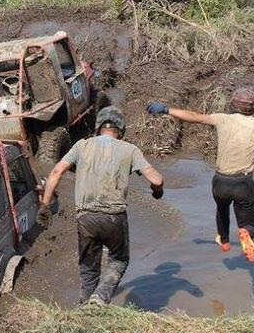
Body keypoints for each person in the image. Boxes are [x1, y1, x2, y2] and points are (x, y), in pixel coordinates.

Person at [147, 88, 254, 264]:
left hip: (220, 182)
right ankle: (246, 233)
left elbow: (194, 116)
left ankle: (224, 241)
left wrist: (165, 109)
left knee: (222, 209)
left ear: (233, 104)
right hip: (244, 183)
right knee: (248, 222)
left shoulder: (222, 119)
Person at [38, 106, 165, 305]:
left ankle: (85, 311)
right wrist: (158, 192)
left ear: (98, 127)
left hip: (85, 218)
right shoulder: (130, 150)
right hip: (114, 217)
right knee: (119, 260)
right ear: (120, 129)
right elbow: (156, 180)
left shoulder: (81, 146)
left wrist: (45, 205)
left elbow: (56, 172)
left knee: (88, 270)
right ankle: (100, 296)